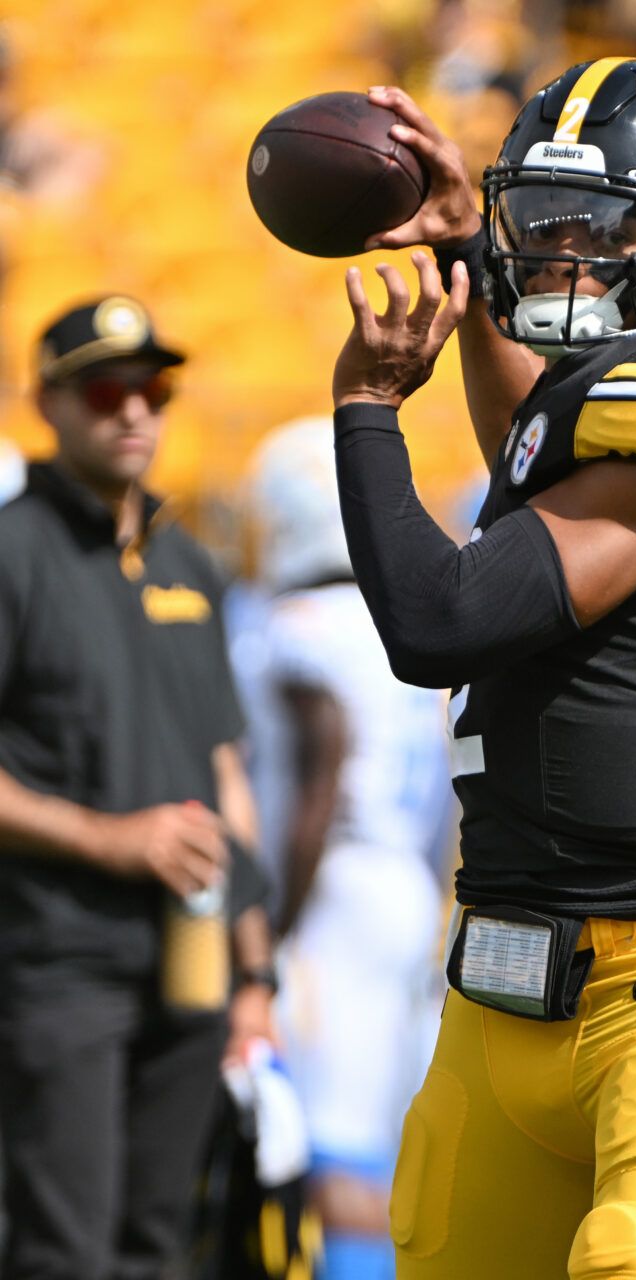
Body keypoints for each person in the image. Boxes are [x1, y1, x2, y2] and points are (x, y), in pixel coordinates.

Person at [329, 60, 636, 1278]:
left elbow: (437, 620)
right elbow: (529, 456)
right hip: (502, 980)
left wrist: (366, 411)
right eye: (544, 221)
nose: (564, 255)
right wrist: (459, 246)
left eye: (607, 228)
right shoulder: (588, 423)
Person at [0, 296, 276, 1279]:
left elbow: (226, 769)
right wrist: (109, 837)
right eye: (108, 389)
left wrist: (256, 974)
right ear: (50, 403)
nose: (134, 413)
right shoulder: (14, 551)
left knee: (161, 1247)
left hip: (194, 963)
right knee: (62, 1252)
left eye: (153, 390)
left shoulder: (189, 561)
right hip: (58, 963)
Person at [244, 417, 453, 1280]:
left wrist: (275, 925)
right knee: (380, 1130)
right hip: (402, 881)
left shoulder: (301, 626)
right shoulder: (403, 626)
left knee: (329, 1140)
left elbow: (318, 777)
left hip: (332, 890)